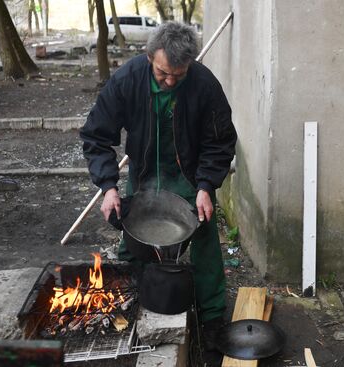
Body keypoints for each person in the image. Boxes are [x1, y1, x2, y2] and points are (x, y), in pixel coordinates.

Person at [80, 21, 237, 352]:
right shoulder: (127, 80)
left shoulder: (204, 85)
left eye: (177, 76)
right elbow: (96, 135)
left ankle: (211, 318)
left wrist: (206, 186)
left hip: (190, 175)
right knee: (133, 239)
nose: (168, 81)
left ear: (189, 66)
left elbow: (220, 141)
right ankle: (137, 301)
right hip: (144, 172)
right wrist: (108, 186)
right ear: (149, 56)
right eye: (163, 73)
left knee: (205, 236)